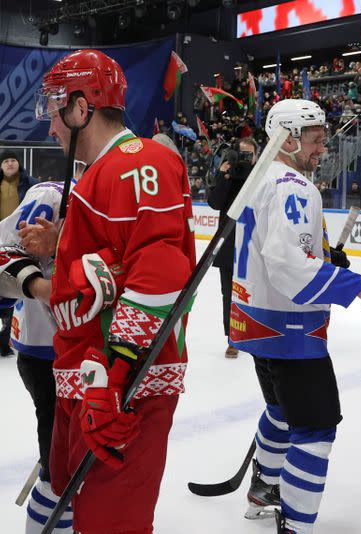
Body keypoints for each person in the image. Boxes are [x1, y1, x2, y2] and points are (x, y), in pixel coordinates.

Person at [27, 49, 196, 533]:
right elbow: (112, 264)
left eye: (57, 111)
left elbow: (160, 269)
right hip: (88, 377)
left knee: (110, 523)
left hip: (120, 388)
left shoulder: (140, 161)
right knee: (71, 497)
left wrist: (117, 376)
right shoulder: (99, 173)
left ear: (82, 108)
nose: (50, 127)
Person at [226, 99, 361, 534]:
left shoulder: (260, 177)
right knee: (315, 430)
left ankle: (264, 485)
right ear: (290, 137)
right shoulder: (293, 185)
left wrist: (323, 256)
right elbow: (287, 266)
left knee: (280, 410)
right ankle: (295, 524)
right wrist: (360, 286)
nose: (322, 149)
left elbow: (273, 250)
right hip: (289, 329)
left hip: (255, 322)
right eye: (316, 140)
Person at [0, 181, 70, 533]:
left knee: (71, 452)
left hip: (77, 345)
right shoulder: (52, 194)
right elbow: (6, 246)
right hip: (46, 345)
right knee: (61, 463)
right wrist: (39, 285)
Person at [207, 137, 258, 359]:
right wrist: (224, 175)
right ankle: (233, 338)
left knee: (257, 292)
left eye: (250, 155)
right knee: (229, 293)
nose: (245, 159)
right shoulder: (228, 176)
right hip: (229, 244)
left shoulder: (262, 177)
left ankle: (257, 333)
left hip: (255, 245)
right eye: (242, 154)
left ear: (257, 156)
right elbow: (215, 203)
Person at [0, 150, 37, 356]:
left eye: (13, 160)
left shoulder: (31, 184)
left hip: (19, 239)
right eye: (6, 161)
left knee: (17, 285)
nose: (10, 163)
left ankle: (6, 336)